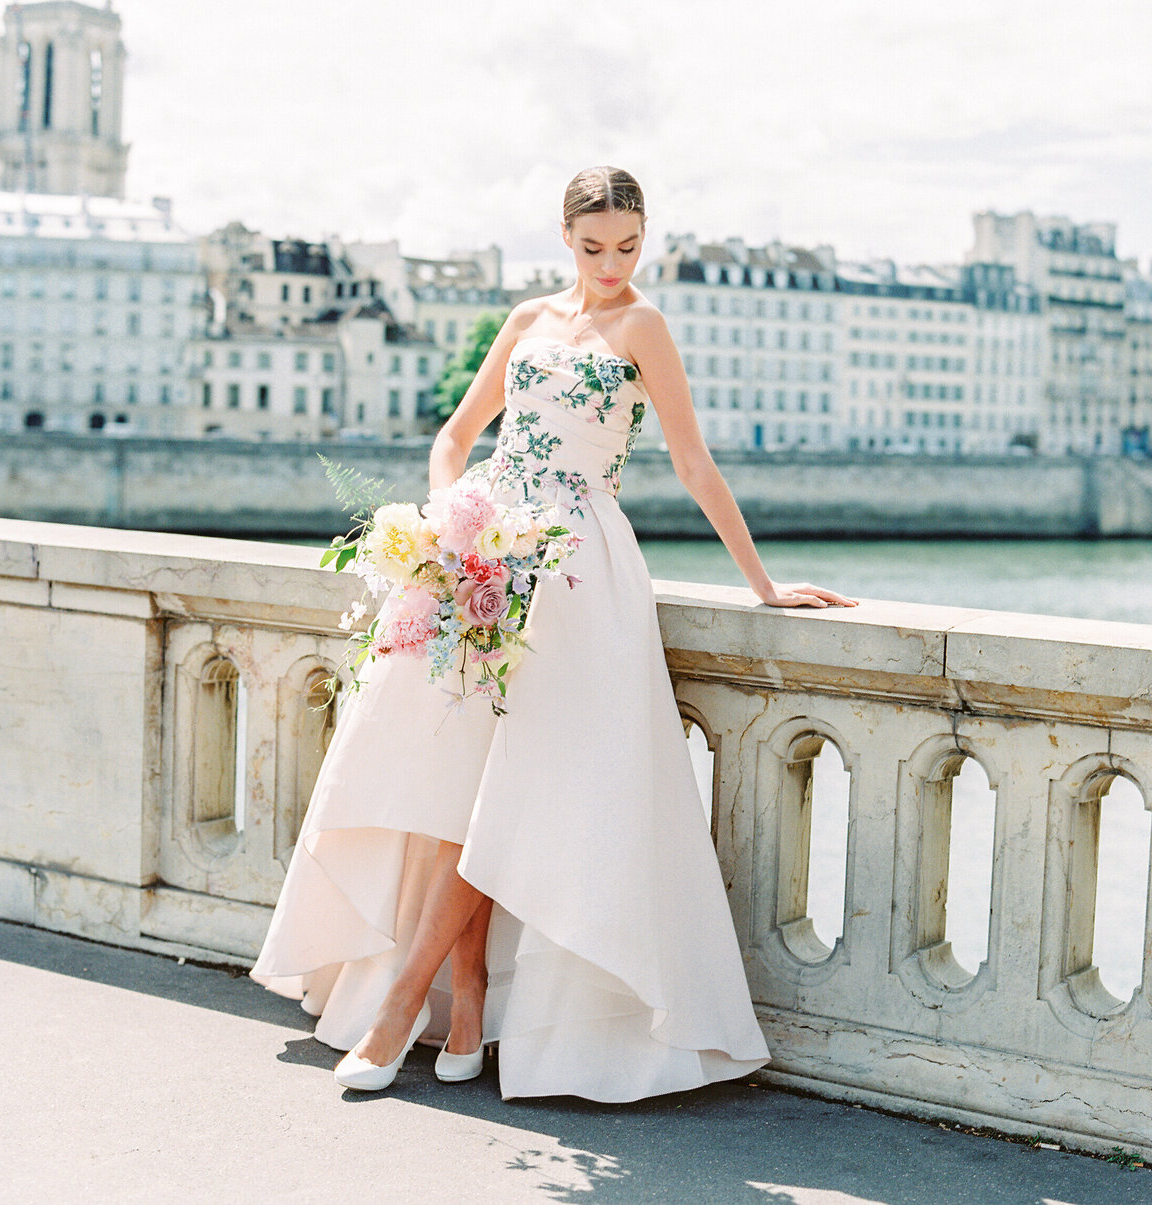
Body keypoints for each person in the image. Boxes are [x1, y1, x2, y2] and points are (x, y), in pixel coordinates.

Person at [250, 165, 858, 1101]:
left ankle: (400, 1009)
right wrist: (450, 527)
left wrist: (764, 584)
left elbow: (694, 463)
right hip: (485, 550)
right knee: (448, 780)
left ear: (644, 237)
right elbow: (455, 437)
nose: (612, 265)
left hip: (577, 564)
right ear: (564, 236)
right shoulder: (529, 318)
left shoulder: (644, 327)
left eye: (628, 245)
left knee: (520, 794)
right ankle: (466, 996)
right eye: (592, 247)